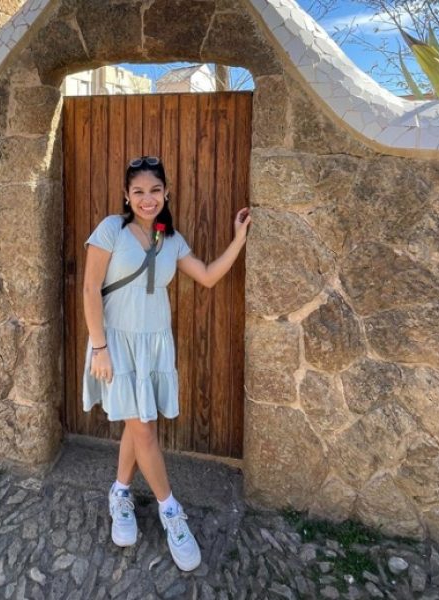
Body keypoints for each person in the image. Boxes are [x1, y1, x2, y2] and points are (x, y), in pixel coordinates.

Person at [81, 155, 251, 572]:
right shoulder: (111, 229)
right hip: (116, 345)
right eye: (138, 191)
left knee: (138, 425)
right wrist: (99, 346)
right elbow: (89, 288)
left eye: (155, 190)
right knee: (145, 429)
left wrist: (239, 238)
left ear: (166, 193)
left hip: (154, 345)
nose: (147, 199)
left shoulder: (171, 240)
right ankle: (170, 510)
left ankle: (120, 491)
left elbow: (208, 275)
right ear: (126, 195)